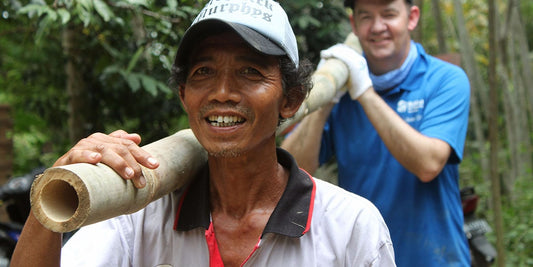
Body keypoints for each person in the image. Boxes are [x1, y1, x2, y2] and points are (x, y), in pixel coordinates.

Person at [11, 1, 395, 266]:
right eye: (203, 73)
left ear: (290, 100)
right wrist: (57, 182)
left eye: (250, 72)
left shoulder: (350, 227)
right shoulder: (138, 212)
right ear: (184, 97)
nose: (222, 93)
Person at [281, 0, 471, 266]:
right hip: (365, 257)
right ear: (354, 25)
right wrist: (325, 100)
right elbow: (292, 170)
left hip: (435, 258)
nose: (378, 27)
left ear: (412, 17)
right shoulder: (344, 88)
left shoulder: (445, 79)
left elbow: (428, 164)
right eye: (366, 17)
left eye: (389, 15)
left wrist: (364, 93)